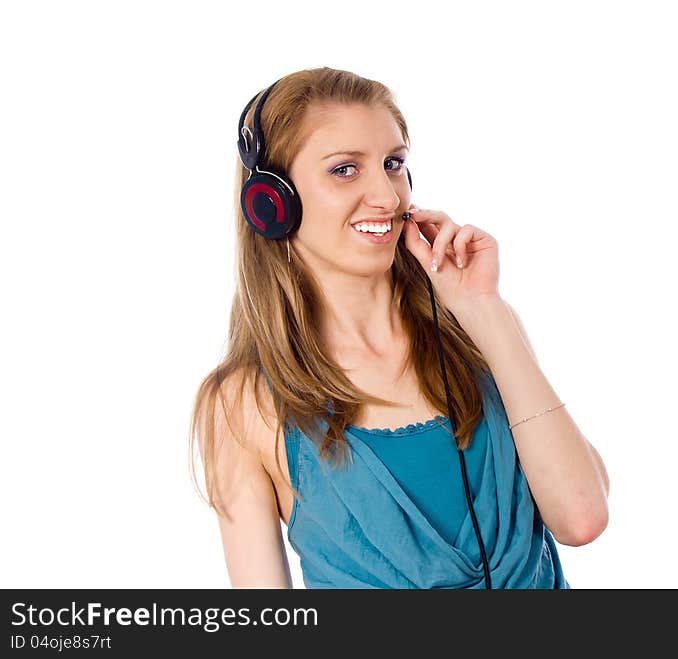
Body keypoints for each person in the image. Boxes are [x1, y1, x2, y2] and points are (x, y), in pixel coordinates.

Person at [189, 67, 610, 589]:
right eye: (345, 170)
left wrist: (485, 309)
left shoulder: (479, 328)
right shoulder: (239, 405)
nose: (387, 197)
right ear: (273, 203)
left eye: (393, 164)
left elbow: (581, 517)